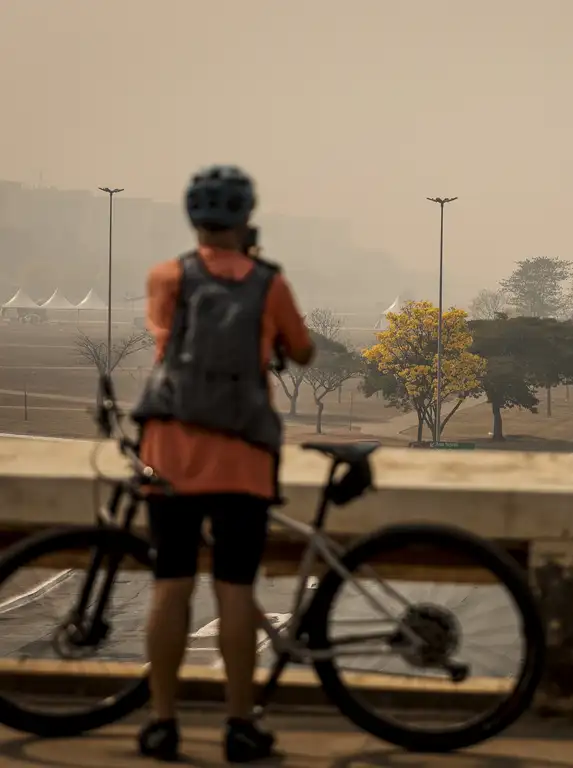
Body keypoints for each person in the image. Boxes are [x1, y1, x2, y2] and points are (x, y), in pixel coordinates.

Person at [131, 165, 314, 763]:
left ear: (195, 219)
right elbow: (303, 350)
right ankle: (239, 724)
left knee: (170, 586)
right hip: (242, 459)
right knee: (235, 592)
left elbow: (164, 341)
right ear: (245, 219)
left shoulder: (169, 276)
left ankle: (162, 723)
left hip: (170, 455)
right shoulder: (269, 282)